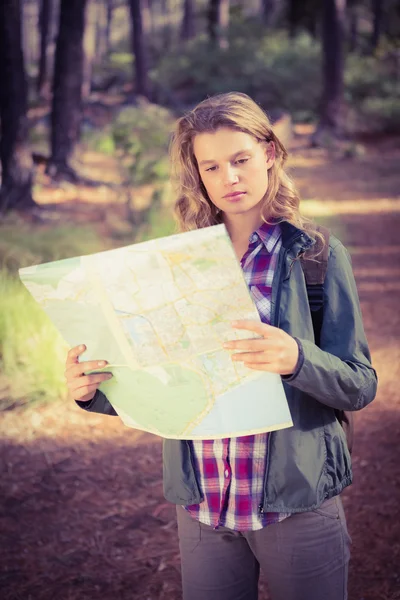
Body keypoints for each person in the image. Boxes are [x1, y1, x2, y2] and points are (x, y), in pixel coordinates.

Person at [64, 92, 377, 600]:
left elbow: (359, 384)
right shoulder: (175, 264)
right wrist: (92, 389)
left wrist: (297, 359)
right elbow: (158, 379)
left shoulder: (315, 257)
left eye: (240, 160)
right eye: (211, 167)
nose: (228, 178)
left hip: (294, 504)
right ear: (197, 174)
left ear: (270, 153)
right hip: (204, 504)